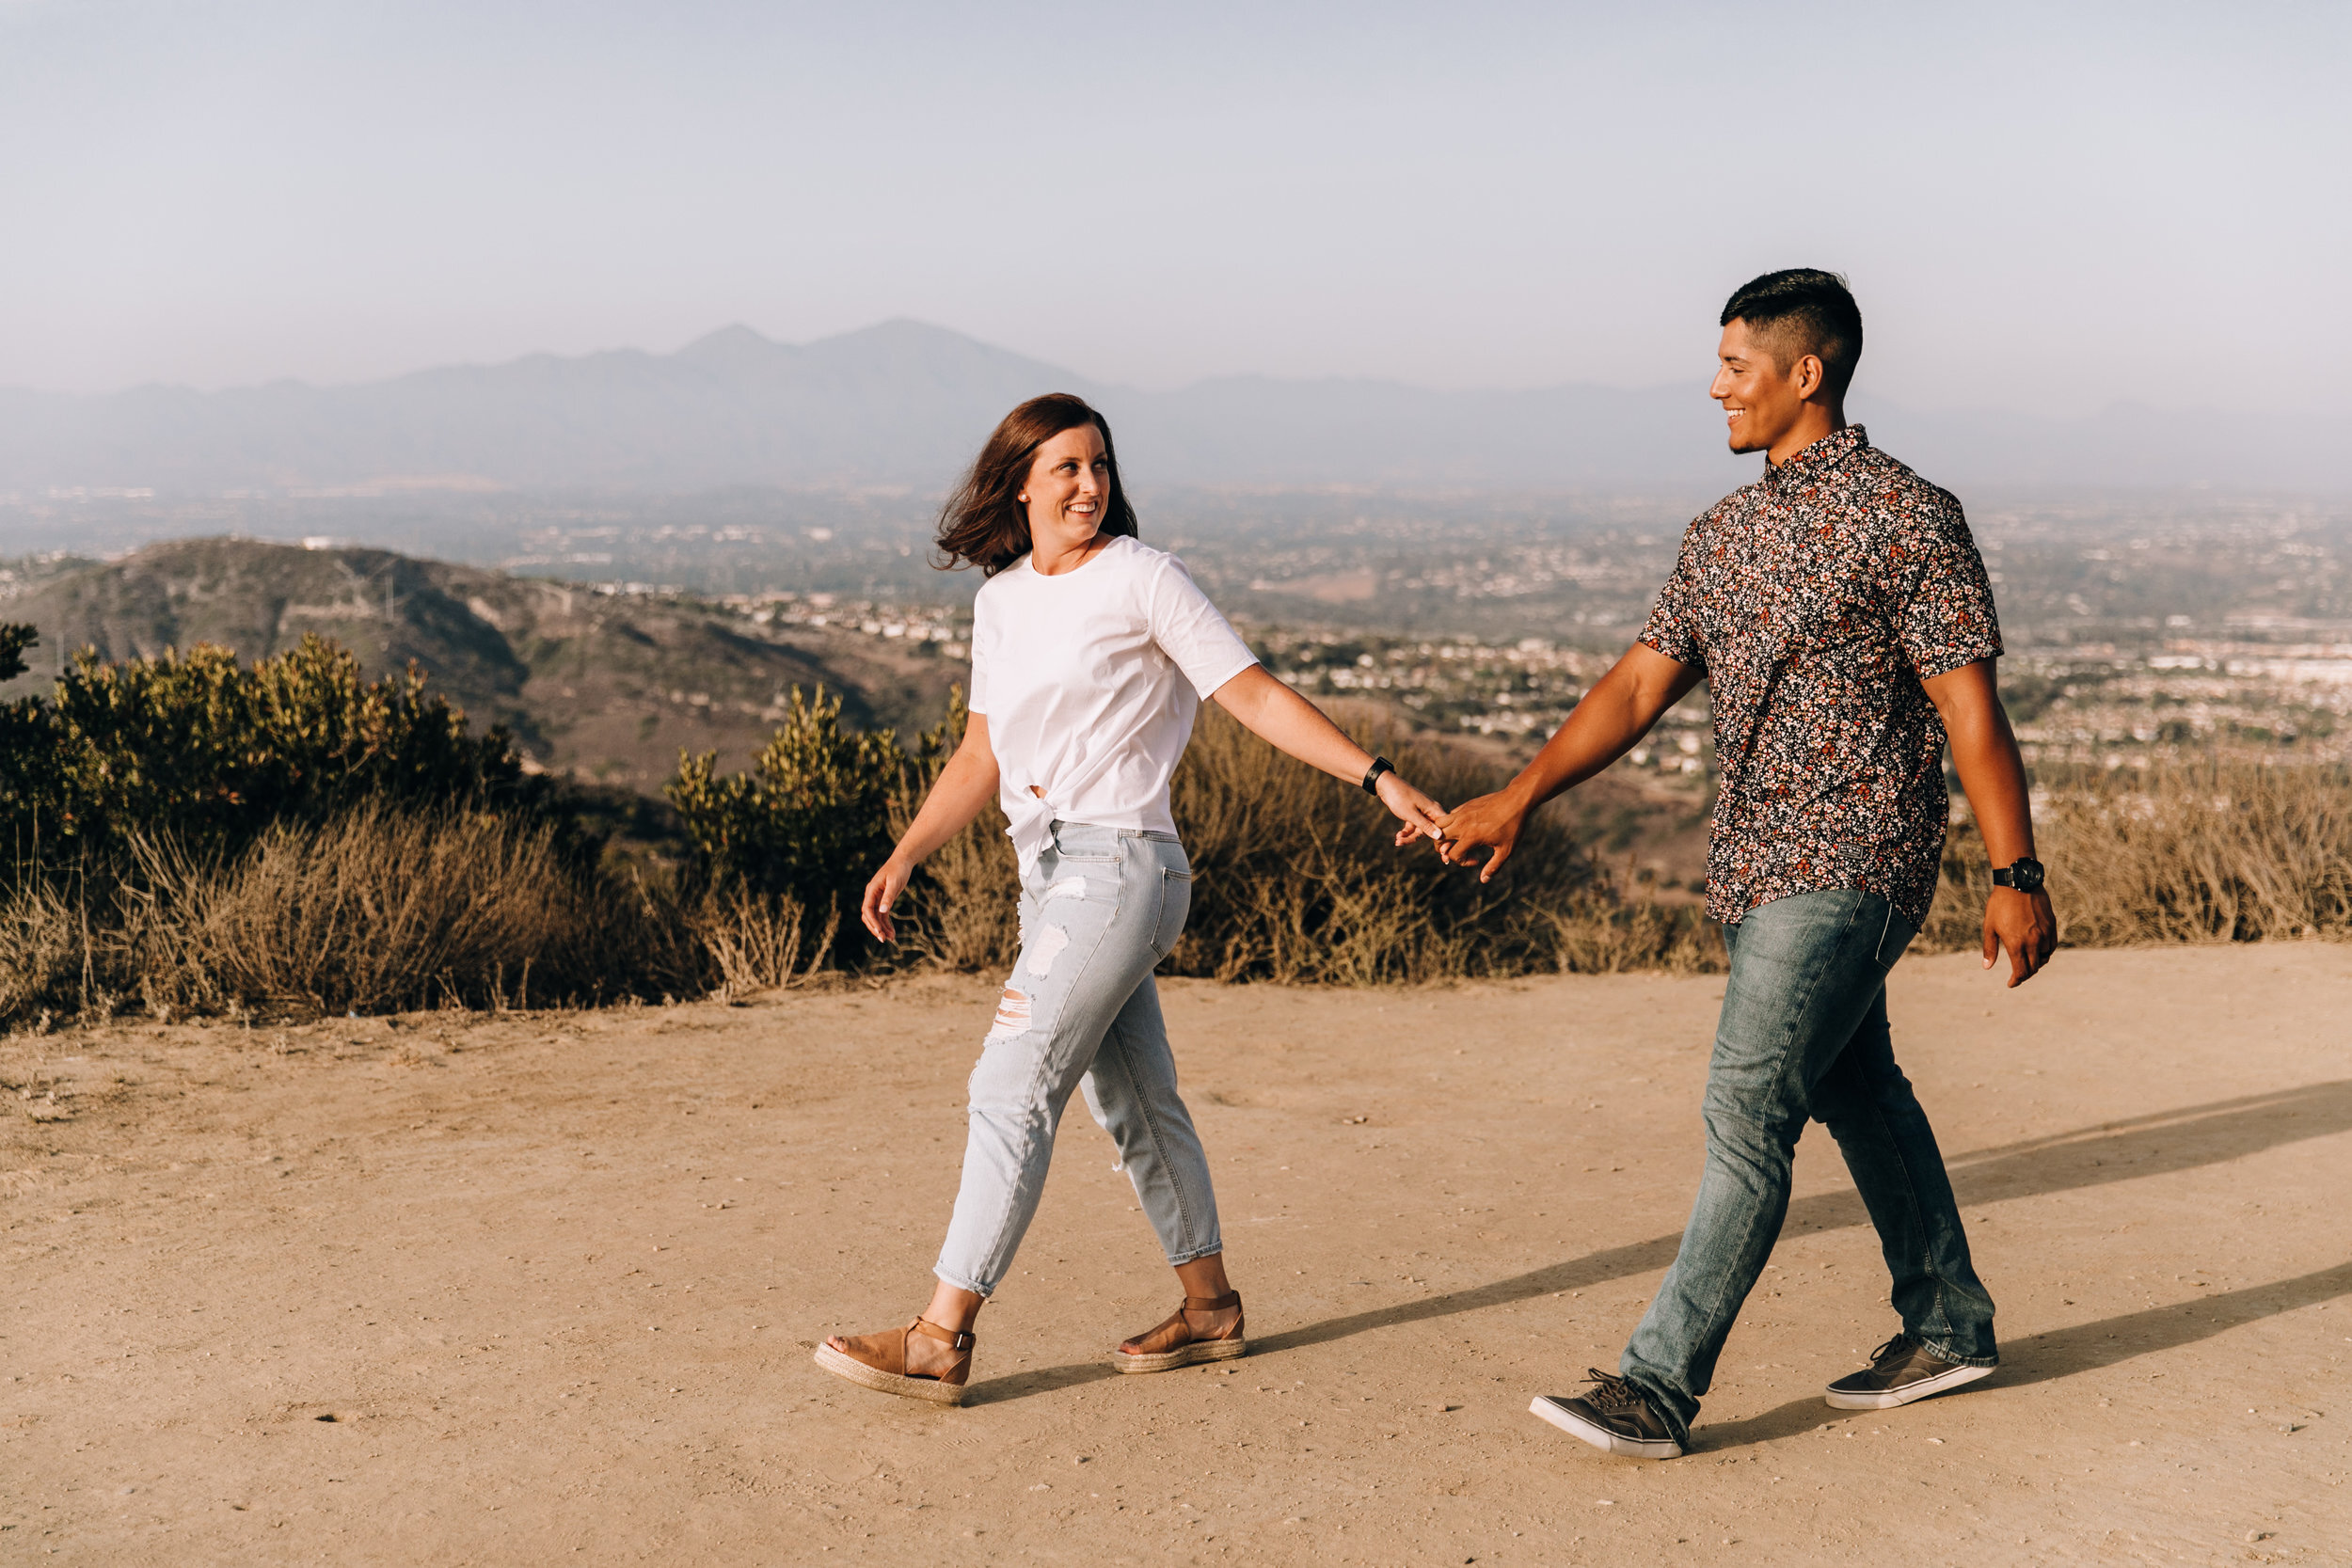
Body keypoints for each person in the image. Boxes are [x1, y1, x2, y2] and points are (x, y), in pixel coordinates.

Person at [1435, 269, 2058, 1460]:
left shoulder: (1904, 513)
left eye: (1734, 365)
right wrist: (1517, 795)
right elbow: (1634, 685)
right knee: (1855, 1086)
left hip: (1854, 853)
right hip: (1753, 866)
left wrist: (2012, 873)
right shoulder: (1723, 530)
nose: (1713, 384)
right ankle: (1951, 1321)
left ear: (1803, 373)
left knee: (1743, 1108)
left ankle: (1656, 1386)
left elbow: (1970, 709)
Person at [816, 392, 1447, 1405]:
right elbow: (981, 752)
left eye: (1100, 463)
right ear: (1018, 481)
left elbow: (1251, 692)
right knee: (1135, 1099)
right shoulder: (1003, 599)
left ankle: (941, 1334)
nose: (1089, 483)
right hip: (1050, 879)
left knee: (1008, 1086)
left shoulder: (1145, 579)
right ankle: (1208, 1307)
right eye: (1065, 466)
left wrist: (1373, 776)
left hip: (1118, 869)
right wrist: (906, 852)